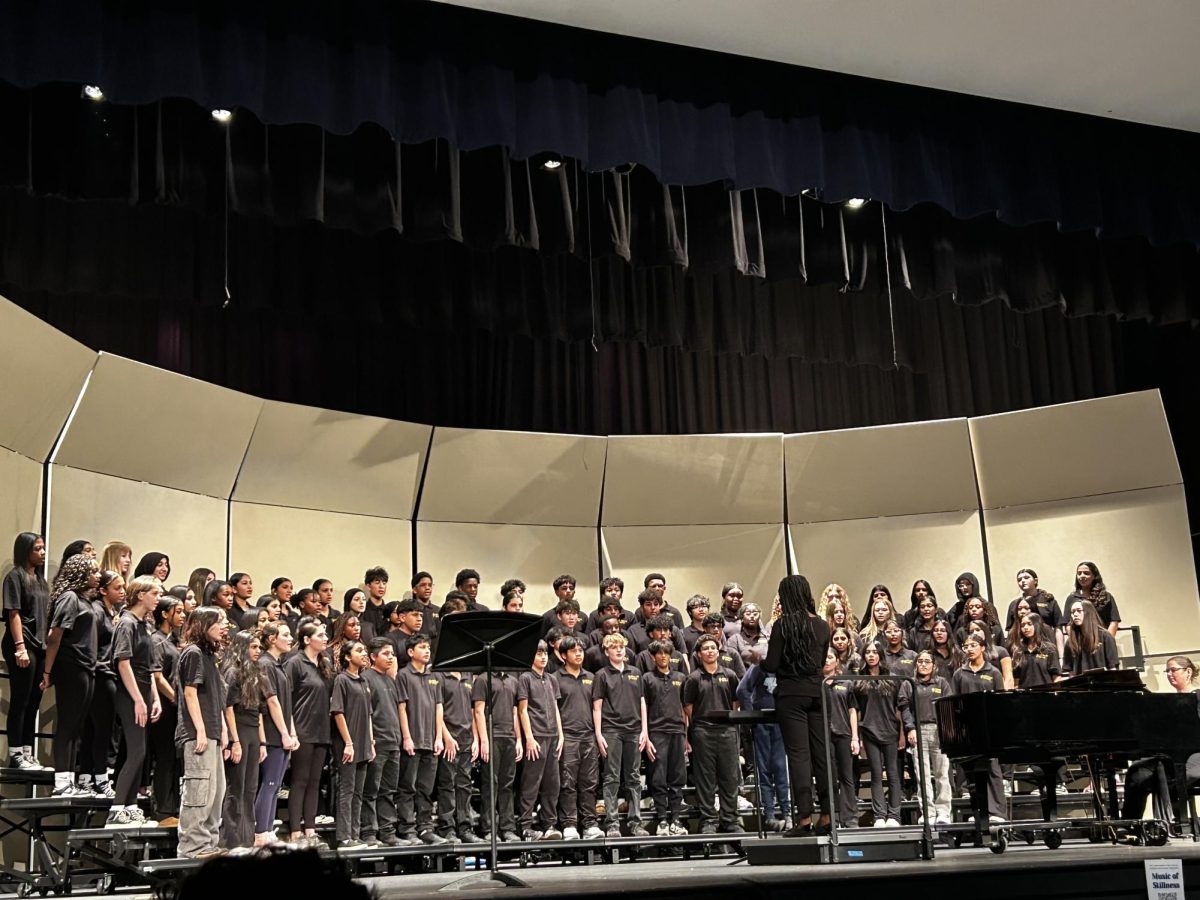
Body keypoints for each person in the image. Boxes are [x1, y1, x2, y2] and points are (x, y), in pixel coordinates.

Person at [762, 574, 831, 837]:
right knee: (822, 755)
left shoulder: (783, 626)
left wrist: (759, 659)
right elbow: (821, 662)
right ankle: (827, 816)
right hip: (817, 692)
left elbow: (771, 664)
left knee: (799, 756)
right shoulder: (823, 626)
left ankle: (803, 820)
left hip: (791, 694)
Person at [40, 553, 98, 794]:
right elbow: (55, 637)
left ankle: (70, 780)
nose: (98, 575)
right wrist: (47, 671)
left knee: (77, 726)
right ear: (80, 574)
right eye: (93, 571)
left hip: (85, 666)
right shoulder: (70, 598)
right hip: (71, 665)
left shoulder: (85, 600)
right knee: (67, 724)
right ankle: (62, 782)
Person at [108, 575, 163, 827]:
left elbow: (149, 668)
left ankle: (130, 806)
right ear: (141, 595)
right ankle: (117, 808)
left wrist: (154, 698)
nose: (158, 599)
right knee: (137, 751)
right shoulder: (127, 623)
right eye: (155, 594)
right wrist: (138, 699)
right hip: (128, 694)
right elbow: (123, 663)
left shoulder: (145, 625)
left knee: (139, 753)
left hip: (142, 692)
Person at [174, 607, 228, 857]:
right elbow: (190, 693)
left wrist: (223, 731)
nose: (223, 627)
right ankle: (192, 846)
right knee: (199, 791)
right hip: (198, 734)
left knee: (216, 792)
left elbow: (216, 700)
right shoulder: (193, 653)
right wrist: (201, 731)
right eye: (218, 623)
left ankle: (208, 843)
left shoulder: (208, 656)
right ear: (204, 625)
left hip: (213, 733)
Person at [1120, 656, 1200, 820]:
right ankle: (1130, 823)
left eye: (1173, 670)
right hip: (1170, 756)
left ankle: (1178, 820)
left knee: (1174, 777)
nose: (1170, 674)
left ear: (1188, 672)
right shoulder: (1168, 702)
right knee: (1136, 772)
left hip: (1196, 754)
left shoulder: (1198, 697)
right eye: (1167, 671)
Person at [682, 635, 743, 835]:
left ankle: (730, 819)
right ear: (699, 654)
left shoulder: (730, 675)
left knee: (729, 777)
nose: (710, 651)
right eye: (705, 648)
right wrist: (702, 723)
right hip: (702, 732)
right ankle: (708, 819)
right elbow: (688, 707)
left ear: (718, 651)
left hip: (727, 731)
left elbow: (735, 703)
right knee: (705, 778)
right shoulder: (693, 678)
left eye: (713, 648)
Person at [592, 632, 649, 838]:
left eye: (621, 647)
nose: (619, 650)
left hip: (634, 730)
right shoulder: (602, 675)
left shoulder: (635, 672)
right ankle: (612, 823)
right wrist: (599, 734)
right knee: (612, 777)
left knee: (633, 777)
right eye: (614, 647)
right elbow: (597, 707)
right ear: (607, 651)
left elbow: (642, 702)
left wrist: (644, 730)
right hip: (612, 730)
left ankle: (635, 823)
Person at [4, 532, 50, 770]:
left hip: (40, 644)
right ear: (26, 551)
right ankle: (15, 753)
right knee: (20, 699)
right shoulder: (15, 577)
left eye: (43, 548)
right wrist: (20, 647)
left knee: (34, 700)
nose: (42, 553)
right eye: (37, 549)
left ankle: (27, 751)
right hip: (23, 643)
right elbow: (14, 613)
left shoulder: (41, 580)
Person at [950, 635, 1007, 823]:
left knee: (992, 768)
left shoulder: (994, 672)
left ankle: (997, 812)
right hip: (968, 729)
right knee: (970, 770)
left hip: (988, 728)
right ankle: (979, 812)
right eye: (966, 646)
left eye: (973, 645)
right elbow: (954, 702)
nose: (969, 649)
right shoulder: (959, 673)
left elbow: (1000, 703)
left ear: (982, 647)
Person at [285, 622, 333, 846]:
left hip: (321, 731)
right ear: (306, 640)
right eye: (320, 635)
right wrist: (291, 731)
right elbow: (286, 699)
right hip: (302, 730)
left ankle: (310, 829)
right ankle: (295, 830)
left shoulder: (324, 664)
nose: (325, 638)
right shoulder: (295, 663)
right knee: (300, 780)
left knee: (315, 782)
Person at [218, 629, 266, 849]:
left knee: (250, 788)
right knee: (236, 788)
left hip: (252, 732)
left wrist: (262, 742)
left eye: (259, 647)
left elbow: (259, 713)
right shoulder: (232, 672)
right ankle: (231, 839)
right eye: (253, 647)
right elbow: (228, 709)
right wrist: (234, 741)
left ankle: (247, 838)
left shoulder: (255, 672)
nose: (258, 651)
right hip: (238, 730)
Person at [396, 633, 446, 845]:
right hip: (412, 741)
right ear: (410, 652)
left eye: (428, 647)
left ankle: (425, 828)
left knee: (426, 788)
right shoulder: (403, 675)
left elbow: (438, 707)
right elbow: (402, 708)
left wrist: (439, 738)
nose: (427, 651)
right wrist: (407, 737)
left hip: (430, 740)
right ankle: (407, 829)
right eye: (422, 647)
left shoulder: (434, 676)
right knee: (408, 787)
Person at [254, 622, 299, 848]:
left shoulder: (278, 665)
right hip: (272, 734)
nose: (290, 638)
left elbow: (284, 703)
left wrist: (292, 731)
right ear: (272, 639)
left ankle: (268, 827)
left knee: (276, 784)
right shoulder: (264, 664)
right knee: (269, 783)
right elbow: (271, 701)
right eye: (285, 634)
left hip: (282, 733)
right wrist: (283, 732)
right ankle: (260, 830)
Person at [80, 570, 124, 795]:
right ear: (103, 590)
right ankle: (98, 778)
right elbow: (92, 646)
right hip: (100, 674)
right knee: (100, 730)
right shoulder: (97, 612)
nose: (122, 592)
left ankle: (91, 777)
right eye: (117, 588)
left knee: (100, 730)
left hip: (108, 673)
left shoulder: (113, 612)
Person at [554, 636, 602, 840]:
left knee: (589, 782)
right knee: (567, 783)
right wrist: (561, 736)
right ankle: (569, 824)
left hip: (588, 736)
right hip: (568, 737)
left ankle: (590, 823)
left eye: (581, 650)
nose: (579, 653)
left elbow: (596, 708)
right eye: (574, 651)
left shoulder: (591, 677)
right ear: (563, 655)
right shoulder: (555, 678)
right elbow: (554, 709)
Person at [899, 651, 954, 825]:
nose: (923, 664)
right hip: (919, 730)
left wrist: (947, 730)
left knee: (942, 773)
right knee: (921, 774)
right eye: (920, 661)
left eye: (927, 661)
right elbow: (904, 707)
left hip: (938, 730)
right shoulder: (909, 684)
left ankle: (943, 811)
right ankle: (928, 812)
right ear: (915, 665)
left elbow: (948, 706)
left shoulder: (942, 683)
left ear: (933, 665)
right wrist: (910, 728)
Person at [737, 655, 791, 831]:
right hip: (761, 724)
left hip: (780, 722)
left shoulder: (785, 666)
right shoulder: (758, 668)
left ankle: (787, 813)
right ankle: (769, 815)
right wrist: (751, 718)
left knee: (781, 769)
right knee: (765, 770)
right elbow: (742, 690)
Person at [641, 640, 690, 836]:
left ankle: (676, 819)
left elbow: (686, 708)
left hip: (678, 732)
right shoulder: (647, 678)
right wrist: (646, 736)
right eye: (659, 653)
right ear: (653, 657)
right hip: (656, 732)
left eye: (666, 653)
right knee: (658, 777)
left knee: (677, 777)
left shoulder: (680, 677)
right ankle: (662, 820)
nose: (663, 656)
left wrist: (686, 736)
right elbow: (642, 707)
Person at [517, 641, 564, 840]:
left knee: (553, 783)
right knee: (531, 783)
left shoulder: (552, 679)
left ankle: (549, 825)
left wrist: (560, 734)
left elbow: (555, 708)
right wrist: (529, 738)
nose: (543, 657)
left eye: (545, 653)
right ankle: (526, 826)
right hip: (536, 737)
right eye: (538, 653)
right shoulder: (525, 678)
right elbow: (522, 710)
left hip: (553, 736)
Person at [331, 640, 374, 849]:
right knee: (346, 791)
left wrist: (371, 742)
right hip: (348, 744)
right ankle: (344, 837)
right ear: (348, 657)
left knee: (358, 792)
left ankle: (355, 835)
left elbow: (369, 715)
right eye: (359, 650)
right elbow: (338, 712)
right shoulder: (342, 680)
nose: (364, 653)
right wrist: (348, 742)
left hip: (364, 744)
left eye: (364, 649)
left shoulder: (364, 681)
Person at [361, 639, 404, 847]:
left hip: (393, 742)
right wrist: (371, 741)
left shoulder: (390, 680)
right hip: (377, 742)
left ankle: (388, 831)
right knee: (371, 789)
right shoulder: (366, 678)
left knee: (388, 789)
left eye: (392, 653)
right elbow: (367, 713)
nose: (390, 657)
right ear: (373, 656)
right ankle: (368, 831)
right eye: (386, 653)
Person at [855, 643, 902, 827]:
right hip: (869, 730)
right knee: (875, 773)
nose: (871, 655)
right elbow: (856, 709)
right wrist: (857, 735)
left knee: (892, 774)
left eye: (875, 652)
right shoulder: (859, 680)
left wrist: (902, 733)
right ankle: (879, 815)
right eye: (868, 652)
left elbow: (900, 707)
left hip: (890, 729)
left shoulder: (891, 678)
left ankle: (894, 815)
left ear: (881, 655)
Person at [472, 664, 520, 841]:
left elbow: (516, 713)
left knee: (507, 784)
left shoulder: (513, 681)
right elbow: (478, 711)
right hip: (492, 736)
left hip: (509, 736)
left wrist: (519, 739)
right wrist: (484, 740)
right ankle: (489, 829)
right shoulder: (483, 679)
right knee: (490, 783)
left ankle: (508, 828)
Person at [150, 597, 185, 825]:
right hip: (164, 707)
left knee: (174, 760)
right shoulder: (157, 640)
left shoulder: (174, 640)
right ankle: (162, 811)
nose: (182, 616)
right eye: (178, 611)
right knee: (163, 759)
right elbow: (157, 675)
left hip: (174, 708)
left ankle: (172, 808)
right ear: (164, 614)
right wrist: (175, 699)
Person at [822, 649, 860, 829]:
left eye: (830, 657)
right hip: (823, 736)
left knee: (847, 777)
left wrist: (855, 737)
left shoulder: (846, 682)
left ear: (837, 661)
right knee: (829, 778)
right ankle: (832, 818)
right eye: (824, 657)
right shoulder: (816, 683)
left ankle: (850, 819)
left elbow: (852, 710)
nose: (826, 660)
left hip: (843, 733)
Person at [1061, 598, 1119, 675]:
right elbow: (1067, 670)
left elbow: (1112, 667)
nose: (1075, 614)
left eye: (1079, 611)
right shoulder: (1070, 641)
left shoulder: (1105, 636)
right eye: (1072, 612)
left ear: (1088, 612)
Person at [1066, 561, 1121, 637]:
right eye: (1079, 573)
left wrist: (1108, 641)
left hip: (1102, 639)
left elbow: (1114, 621)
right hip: (1081, 642)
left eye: (1086, 573)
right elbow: (1068, 624)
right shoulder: (1072, 598)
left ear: (1094, 576)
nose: (1082, 576)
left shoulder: (1106, 596)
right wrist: (1075, 643)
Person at [1010, 613, 1061, 688]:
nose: (1025, 628)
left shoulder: (1049, 649)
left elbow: (1056, 677)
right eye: (1023, 625)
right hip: (1024, 696)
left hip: (1045, 694)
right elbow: (1016, 680)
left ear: (1037, 625)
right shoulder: (1018, 650)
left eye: (1029, 624)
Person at [410, 572, 440, 637]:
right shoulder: (410, 611)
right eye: (423, 585)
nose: (427, 588)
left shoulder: (438, 610)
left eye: (430, 585)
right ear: (414, 590)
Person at [361, 566, 389, 635]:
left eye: (384, 583)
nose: (381, 586)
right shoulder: (363, 611)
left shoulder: (389, 610)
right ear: (368, 586)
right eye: (377, 582)